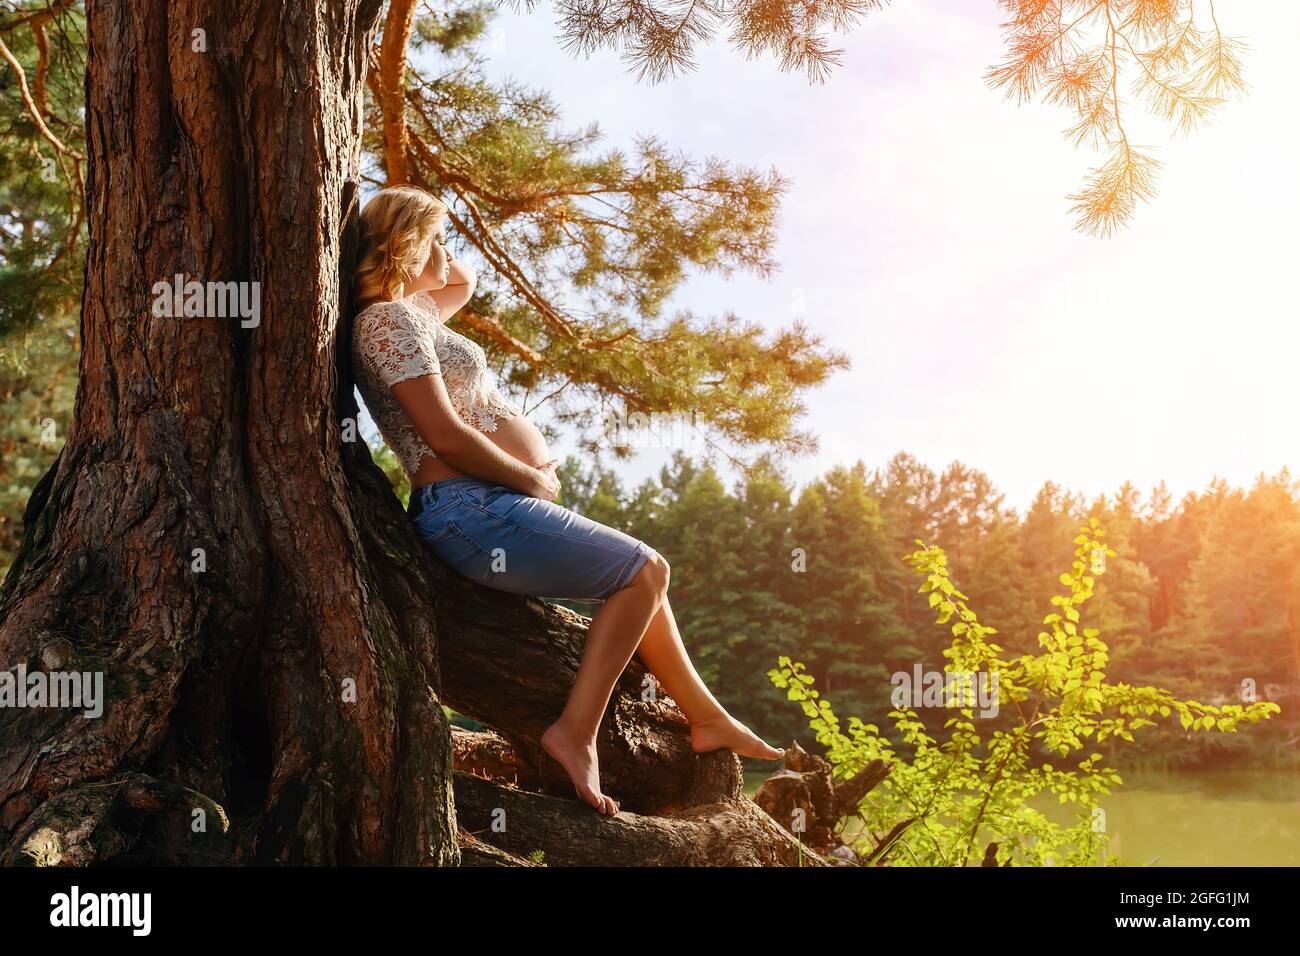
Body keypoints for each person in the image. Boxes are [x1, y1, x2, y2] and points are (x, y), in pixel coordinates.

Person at [350, 185, 784, 816]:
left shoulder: (412, 314)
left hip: (483, 507)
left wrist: (426, 233)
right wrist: (530, 478)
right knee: (645, 570)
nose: (449, 251)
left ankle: (706, 717)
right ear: (409, 245)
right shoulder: (386, 322)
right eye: (436, 238)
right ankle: (573, 734)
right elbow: (442, 434)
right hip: (465, 507)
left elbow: (461, 283)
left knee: (645, 584)